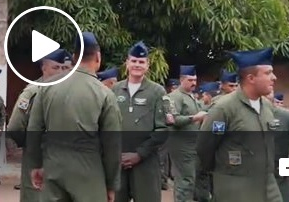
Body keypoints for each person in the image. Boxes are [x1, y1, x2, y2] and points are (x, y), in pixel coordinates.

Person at [26, 32, 122, 202]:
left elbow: (33, 129)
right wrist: (111, 184)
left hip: (53, 167)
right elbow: (112, 144)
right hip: (88, 172)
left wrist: (35, 165)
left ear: (74, 57)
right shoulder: (104, 94)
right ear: (98, 57)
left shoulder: (47, 87)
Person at [197, 48, 283, 202]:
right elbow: (205, 148)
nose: (274, 77)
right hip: (235, 189)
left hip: (268, 187)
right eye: (268, 73)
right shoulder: (224, 108)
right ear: (251, 78)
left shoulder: (268, 107)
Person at [111, 41, 168, 202]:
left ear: (147, 65)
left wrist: (139, 154)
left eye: (141, 62)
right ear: (127, 63)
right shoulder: (115, 90)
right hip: (118, 160)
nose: (137, 65)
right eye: (134, 61)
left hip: (146, 161)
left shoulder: (157, 92)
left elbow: (163, 129)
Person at [7, 48, 67, 200]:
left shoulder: (65, 91)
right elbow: (14, 127)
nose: (60, 71)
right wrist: (31, 145)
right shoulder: (33, 91)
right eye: (55, 67)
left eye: (62, 67)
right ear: (43, 67)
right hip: (37, 157)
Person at [167, 65, 207, 202]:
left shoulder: (191, 97)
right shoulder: (175, 97)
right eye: (190, 80)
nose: (194, 83)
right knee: (185, 180)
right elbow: (173, 119)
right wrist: (194, 117)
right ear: (181, 80)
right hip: (181, 145)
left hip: (193, 145)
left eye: (195, 80)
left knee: (191, 179)